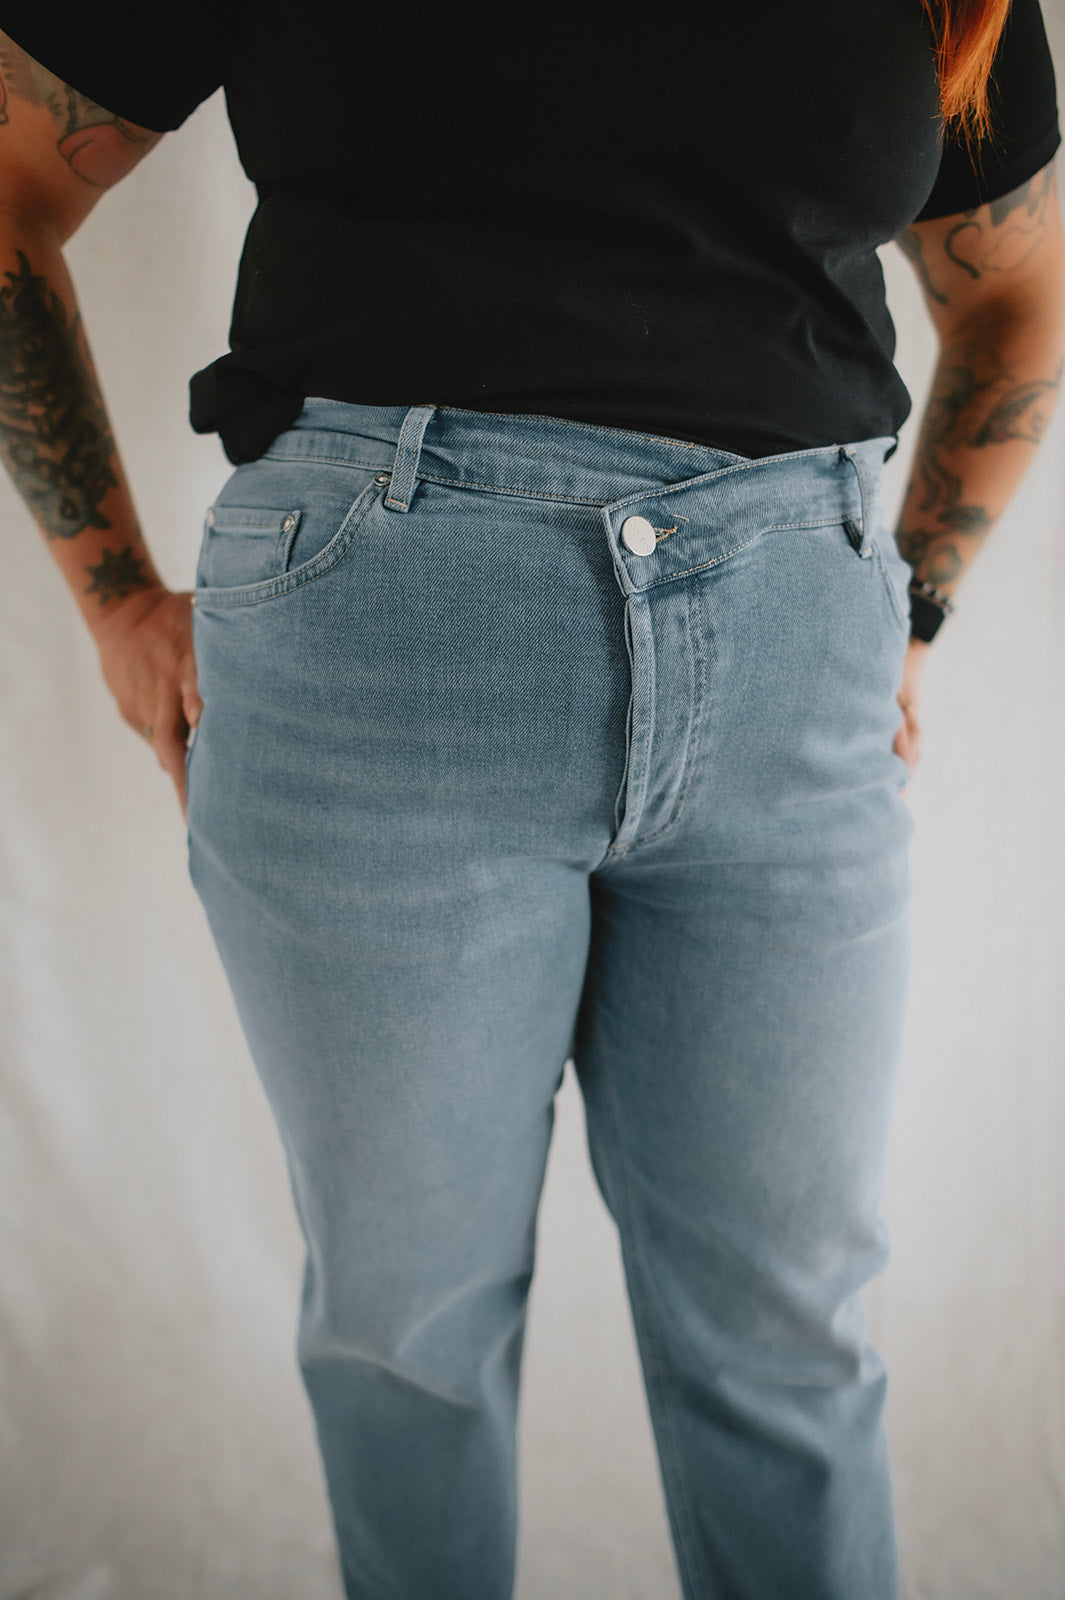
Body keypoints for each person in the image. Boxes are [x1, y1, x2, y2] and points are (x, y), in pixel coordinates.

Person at [0, 3, 1062, 1596]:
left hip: (793, 668)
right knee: (404, 1331)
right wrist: (112, 601)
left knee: (789, 1335)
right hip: (381, 647)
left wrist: (902, 610)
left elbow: (1020, 291)